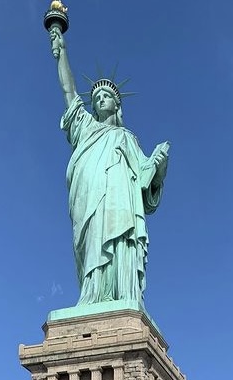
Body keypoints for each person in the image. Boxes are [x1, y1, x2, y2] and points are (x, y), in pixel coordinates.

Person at [49, 23, 170, 307]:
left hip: (121, 202)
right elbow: (69, 92)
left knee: (120, 240)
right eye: (97, 98)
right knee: (93, 242)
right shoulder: (86, 128)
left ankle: (122, 295)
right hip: (89, 200)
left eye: (106, 97)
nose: (100, 99)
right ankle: (92, 296)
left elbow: (145, 181)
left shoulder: (127, 138)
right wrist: (61, 52)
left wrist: (158, 168)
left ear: (117, 105)